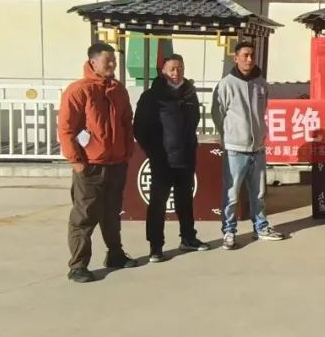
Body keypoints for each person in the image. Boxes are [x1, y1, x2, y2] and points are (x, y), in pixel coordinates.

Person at [58, 43, 138, 283]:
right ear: (93, 63)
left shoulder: (118, 90)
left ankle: (115, 254)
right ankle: (78, 266)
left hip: (116, 164)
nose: (112, 64)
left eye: (114, 60)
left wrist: (127, 152)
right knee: (85, 216)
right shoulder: (78, 90)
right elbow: (66, 129)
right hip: (90, 166)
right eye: (107, 60)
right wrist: (77, 161)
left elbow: (127, 122)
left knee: (112, 213)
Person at [134, 54, 211, 263]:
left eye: (180, 68)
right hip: (163, 160)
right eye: (172, 69)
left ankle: (188, 238)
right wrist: (154, 153)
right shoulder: (152, 97)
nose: (176, 73)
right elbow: (140, 129)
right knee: (158, 203)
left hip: (185, 157)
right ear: (163, 71)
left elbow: (194, 121)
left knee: (185, 201)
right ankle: (156, 247)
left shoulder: (189, 94)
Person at [212, 41, 284, 250]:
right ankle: (229, 232)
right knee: (231, 194)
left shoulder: (261, 83)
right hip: (235, 149)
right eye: (244, 55)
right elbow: (217, 113)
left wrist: (260, 134)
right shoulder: (226, 84)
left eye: (252, 55)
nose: (249, 59)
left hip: (258, 148)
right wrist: (228, 135)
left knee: (258, 193)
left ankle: (261, 227)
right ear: (236, 58)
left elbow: (262, 110)